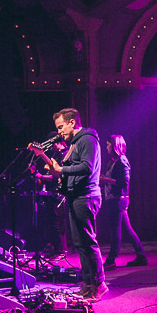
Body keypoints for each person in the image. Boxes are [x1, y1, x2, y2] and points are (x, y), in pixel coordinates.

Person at [45, 108, 107, 300]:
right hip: (75, 196)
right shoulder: (75, 143)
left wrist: (61, 169)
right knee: (80, 244)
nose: (60, 132)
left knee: (88, 242)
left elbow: (87, 167)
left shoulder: (87, 139)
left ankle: (99, 283)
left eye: (61, 127)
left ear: (72, 123)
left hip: (86, 196)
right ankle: (88, 283)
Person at [101, 135, 147, 269]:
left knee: (115, 231)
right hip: (114, 199)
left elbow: (124, 182)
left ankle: (111, 260)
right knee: (127, 229)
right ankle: (141, 256)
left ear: (115, 146)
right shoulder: (114, 161)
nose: (107, 148)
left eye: (109, 145)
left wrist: (106, 180)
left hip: (118, 200)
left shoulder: (122, 161)